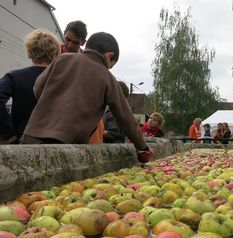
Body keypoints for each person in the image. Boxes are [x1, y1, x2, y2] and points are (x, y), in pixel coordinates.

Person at [20, 32, 153, 161]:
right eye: (111, 65)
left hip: (31, 136)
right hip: (65, 144)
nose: (109, 68)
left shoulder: (62, 59)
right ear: (109, 56)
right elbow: (126, 118)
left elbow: (37, 88)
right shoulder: (106, 77)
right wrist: (143, 147)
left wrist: (53, 103)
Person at [0, 29, 60, 144]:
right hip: (55, 145)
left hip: (22, 142)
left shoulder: (15, 77)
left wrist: (8, 132)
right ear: (54, 54)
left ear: (30, 51)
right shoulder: (61, 80)